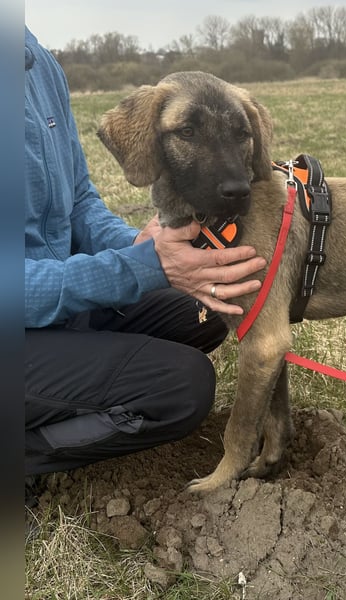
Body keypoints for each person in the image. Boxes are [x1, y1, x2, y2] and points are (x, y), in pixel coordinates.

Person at [24, 26, 266, 495]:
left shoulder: (35, 61)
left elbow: (77, 201)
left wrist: (141, 242)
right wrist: (142, 267)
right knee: (179, 389)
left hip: (52, 307)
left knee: (205, 313)